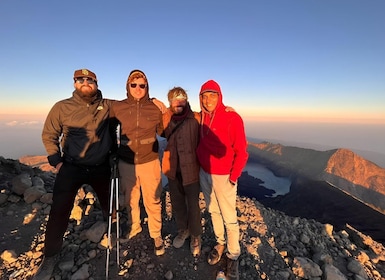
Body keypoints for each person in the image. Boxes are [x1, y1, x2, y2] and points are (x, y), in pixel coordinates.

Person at [35, 69, 118, 280]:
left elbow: (130, 107)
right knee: (59, 211)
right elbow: (49, 135)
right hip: (71, 167)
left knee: (109, 203)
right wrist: (57, 162)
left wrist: (154, 101)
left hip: (101, 166)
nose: (85, 83)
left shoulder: (109, 105)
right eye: (80, 80)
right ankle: (51, 255)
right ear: (74, 83)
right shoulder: (62, 107)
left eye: (90, 80)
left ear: (96, 84)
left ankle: (114, 231)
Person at [196, 80, 248, 280]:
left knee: (229, 217)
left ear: (220, 96)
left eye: (212, 95)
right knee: (213, 211)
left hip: (224, 176)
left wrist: (233, 177)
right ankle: (220, 242)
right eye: (204, 96)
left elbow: (241, 151)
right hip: (205, 173)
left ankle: (233, 255)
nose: (208, 100)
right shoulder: (200, 117)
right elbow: (177, 111)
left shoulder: (232, 118)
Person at [110, 69, 165, 256]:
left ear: (147, 87)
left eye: (142, 85)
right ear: (128, 86)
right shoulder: (118, 107)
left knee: (153, 199)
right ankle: (135, 226)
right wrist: (111, 153)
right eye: (134, 85)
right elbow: (109, 130)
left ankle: (156, 234)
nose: (138, 88)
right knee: (130, 199)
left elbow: (165, 131)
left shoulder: (155, 107)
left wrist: (163, 108)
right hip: (126, 161)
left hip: (150, 160)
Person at [161, 87, 202, 257]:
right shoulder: (164, 118)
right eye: (174, 99)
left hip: (191, 170)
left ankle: (196, 236)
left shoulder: (196, 119)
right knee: (177, 204)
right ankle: (182, 230)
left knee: (193, 205)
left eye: (182, 98)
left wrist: (229, 110)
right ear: (169, 102)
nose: (178, 102)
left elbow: (213, 119)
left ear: (186, 100)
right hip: (172, 170)